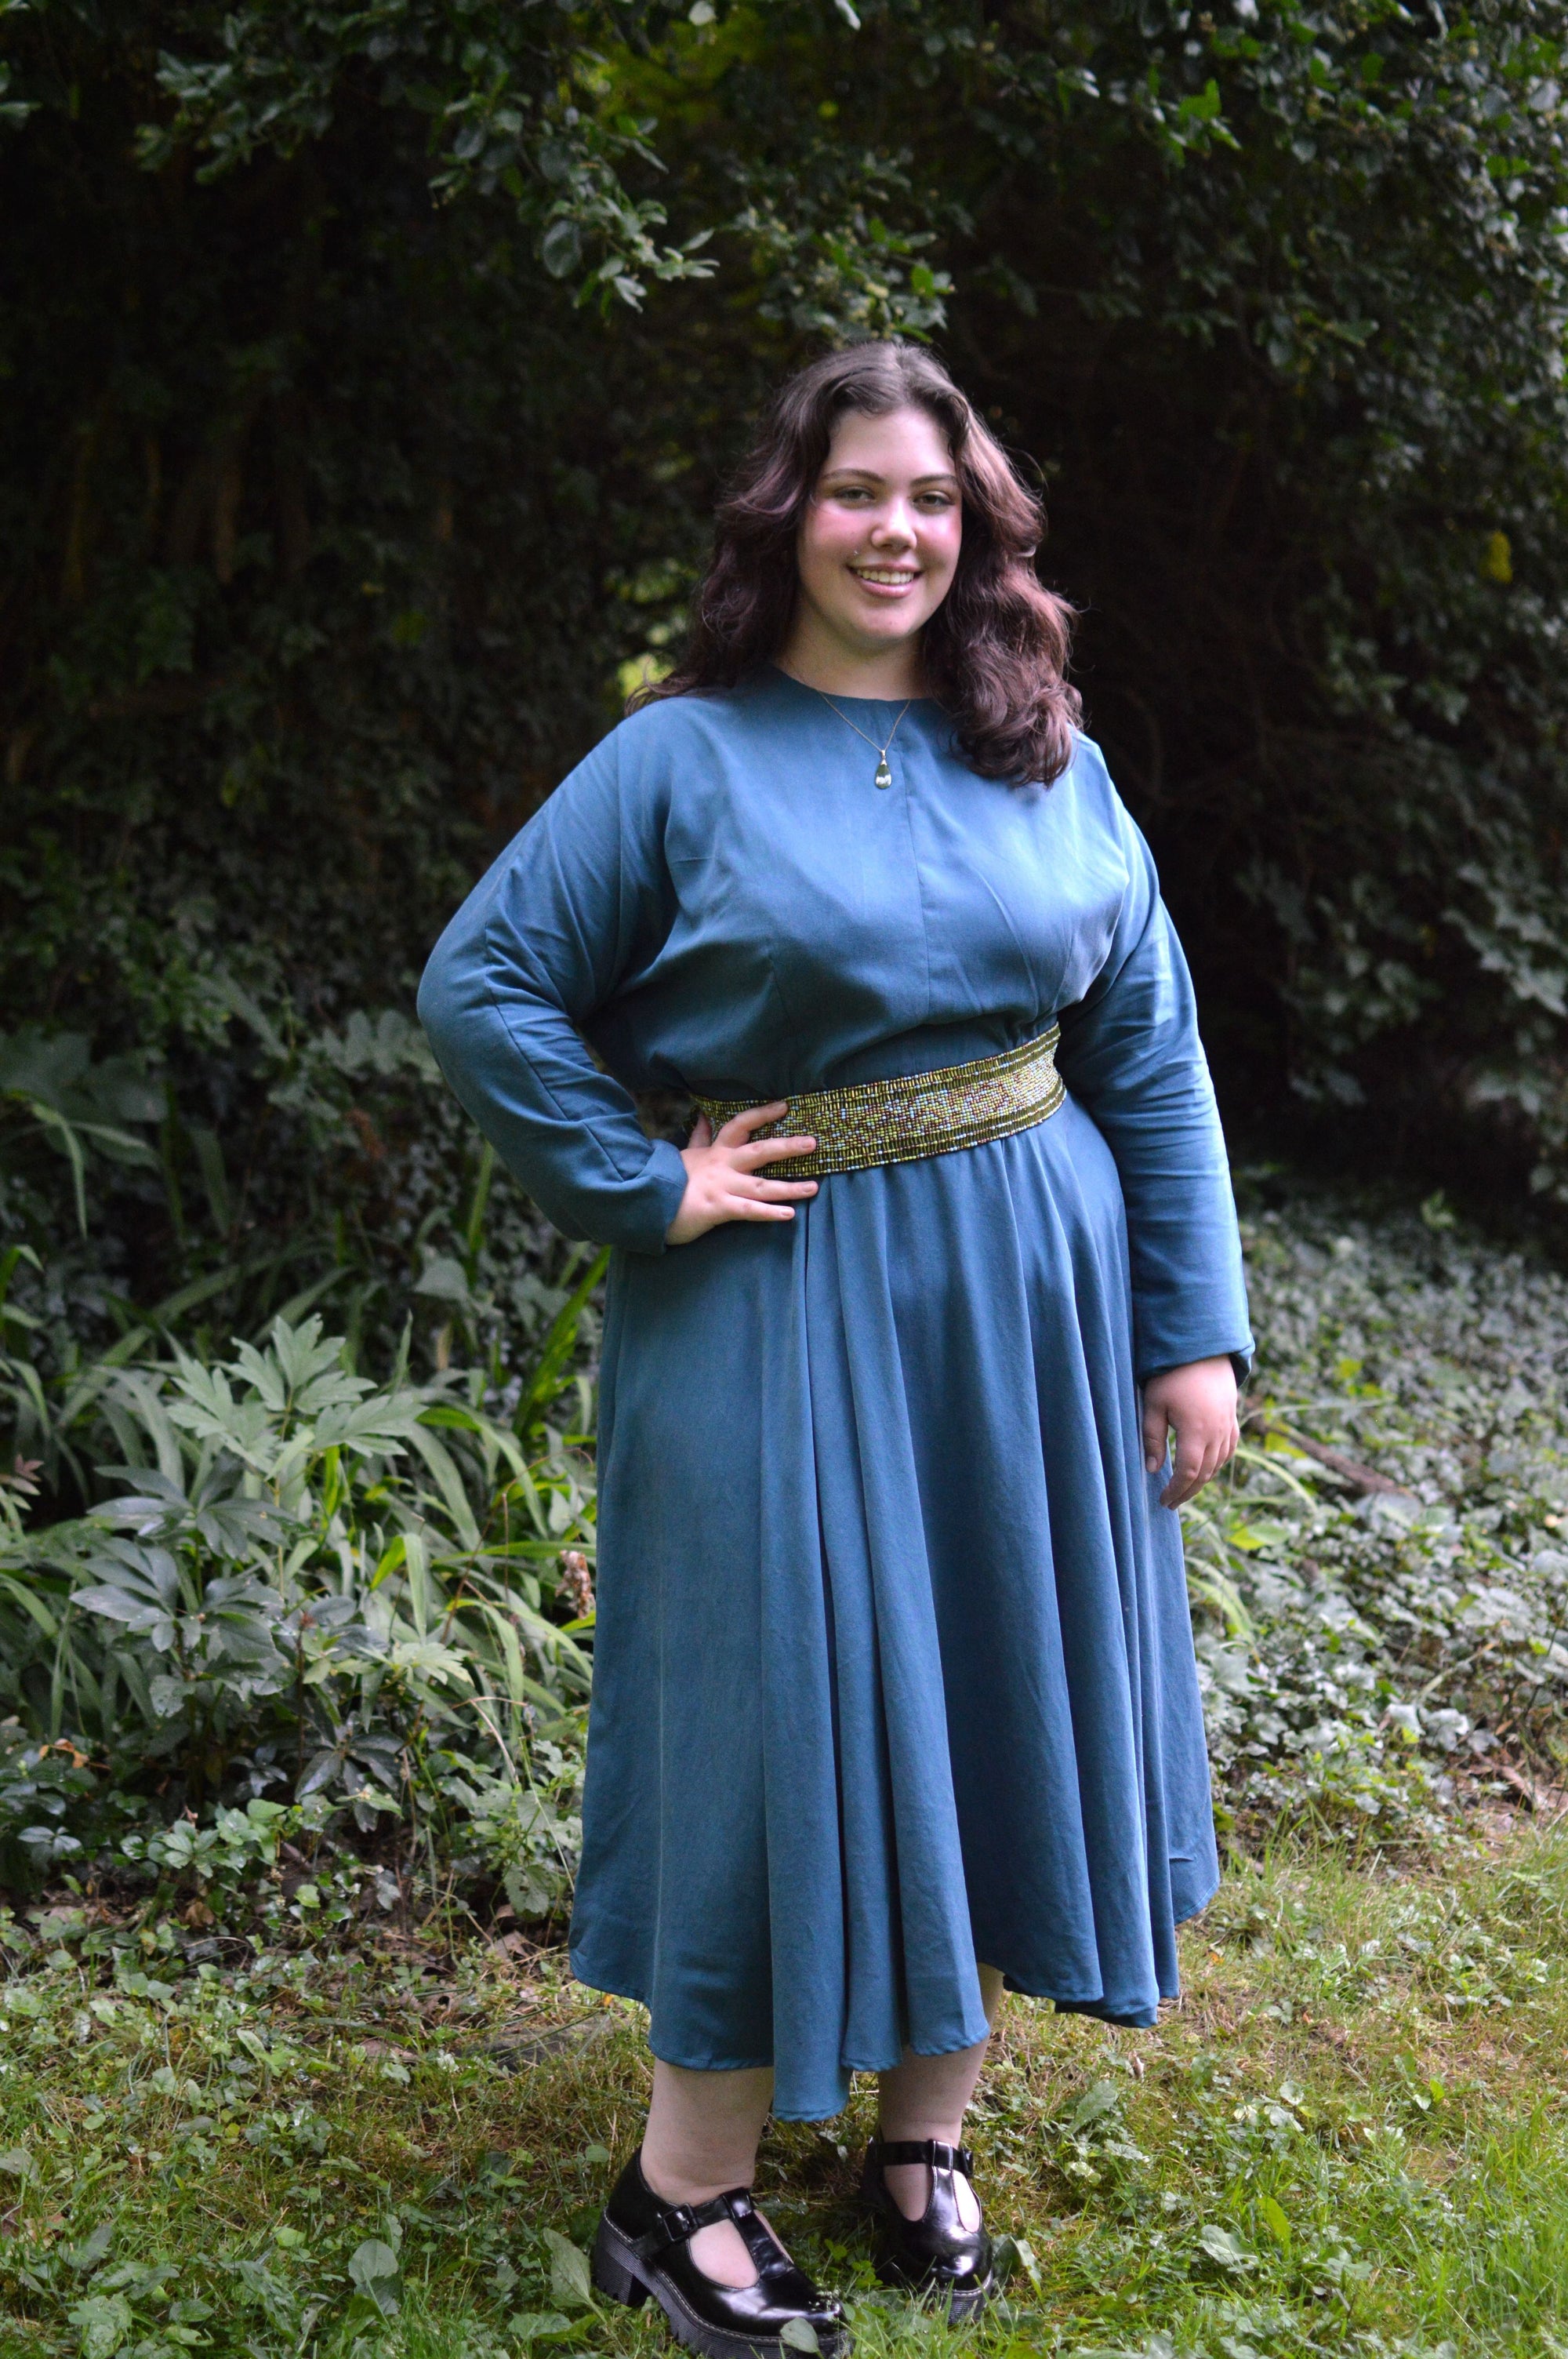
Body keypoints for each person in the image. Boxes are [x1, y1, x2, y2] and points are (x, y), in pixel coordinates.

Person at [418, 340, 1251, 2359]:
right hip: (779, 1303)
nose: (898, 530)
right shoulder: (681, 758)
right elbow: (485, 980)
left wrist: (1190, 1325)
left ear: (977, 532)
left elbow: (1146, 1037)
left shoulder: (1043, 743)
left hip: (1029, 1314)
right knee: (776, 1706)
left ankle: (918, 2140)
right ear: (787, 512)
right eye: (860, 490)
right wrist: (646, 1180)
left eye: (933, 499)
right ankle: (677, 2191)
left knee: (984, 1676)